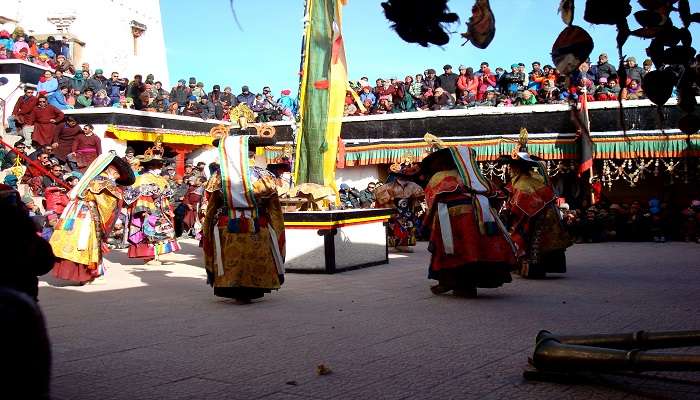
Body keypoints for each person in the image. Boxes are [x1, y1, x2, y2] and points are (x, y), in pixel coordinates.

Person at [420, 143, 516, 297]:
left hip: (450, 217)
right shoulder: (476, 177)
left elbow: (432, 201)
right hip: (481, 215)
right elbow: (498, 196)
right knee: (477, 248)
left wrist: (426, 224)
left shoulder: (439, 177)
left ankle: (452, 282)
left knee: (452, 248)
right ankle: (467, 283)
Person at [201, 131, 285, 303]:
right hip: (257, 226)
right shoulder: (265, 176)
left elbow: (211, 207)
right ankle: (251, 289)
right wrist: (278, 231)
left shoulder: (219, 177)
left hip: (228, 226)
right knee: (254, 258)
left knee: (233, 258)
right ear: (253, 153)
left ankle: (233, 288)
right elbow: (274, 209)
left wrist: (207, 230)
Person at [50, 153, 135, 284]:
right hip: (89, 216)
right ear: (112, 170)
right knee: (86, 243)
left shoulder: (94, 179)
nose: (118, 178)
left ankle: (85, 274)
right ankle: (87, 275)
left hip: (76, 213)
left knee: (75, 241)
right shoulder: (105, 183)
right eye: (118, 174)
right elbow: (107, 204)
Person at [500, 131, 573, 278]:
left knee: (531, 240)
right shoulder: (534, 178)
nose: (510, 170)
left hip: (535, 216)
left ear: (518, 168)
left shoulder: (523, 184)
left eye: (512, 167)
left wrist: (509, 214)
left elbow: (521, 208)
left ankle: (533, 268)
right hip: (544, 213)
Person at [124, 147, 180, 264]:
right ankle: (149, 256)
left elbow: (166, 195)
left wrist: (167, 208)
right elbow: (141, 196)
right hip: (148, 209)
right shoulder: (142, 178)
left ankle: (162, 254)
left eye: (160, 165)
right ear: (151, 166)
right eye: (158, 165)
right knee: (149, 233)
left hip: (161, 209)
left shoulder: (161, 179)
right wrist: (144, 210)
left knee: (164, 232)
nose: (160, 167)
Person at [373, 158, 424, 252]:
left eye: (405, 176)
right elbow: (377, 192)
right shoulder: (389, 186)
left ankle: (403, 245)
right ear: (396, 176)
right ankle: (393, 246)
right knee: (393, 227)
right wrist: (389, 198)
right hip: (394, 208)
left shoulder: (413, 185)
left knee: (408, 227)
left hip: (407, 209)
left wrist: (415, 198)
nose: (403, 178)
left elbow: (421, 195)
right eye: (401, 176)